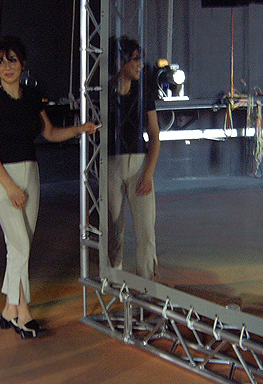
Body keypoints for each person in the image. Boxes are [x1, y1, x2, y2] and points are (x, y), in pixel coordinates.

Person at [0, 36, 96, 339]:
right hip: (1, 175)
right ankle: (23, 314)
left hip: (30, 172)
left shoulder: (32, 97)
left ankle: (8, 309)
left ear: (23, 64)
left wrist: (80, 129)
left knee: (18, 244)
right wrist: (9, 187)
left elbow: (51, 133)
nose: (7, 67)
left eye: (12, 60)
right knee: (21, 245)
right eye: (1, 62)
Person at [107, 36, 161, 280]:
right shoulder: (105, 93)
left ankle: (147, 280)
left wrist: (148, 173)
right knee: (114, 229)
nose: (140, 65)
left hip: (139, 164)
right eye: (135, 59)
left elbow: (154, 135)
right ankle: (113, 276)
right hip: (111, 164)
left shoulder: (144, 91)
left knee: (146, 229)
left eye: (140, 59)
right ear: (120, 61)